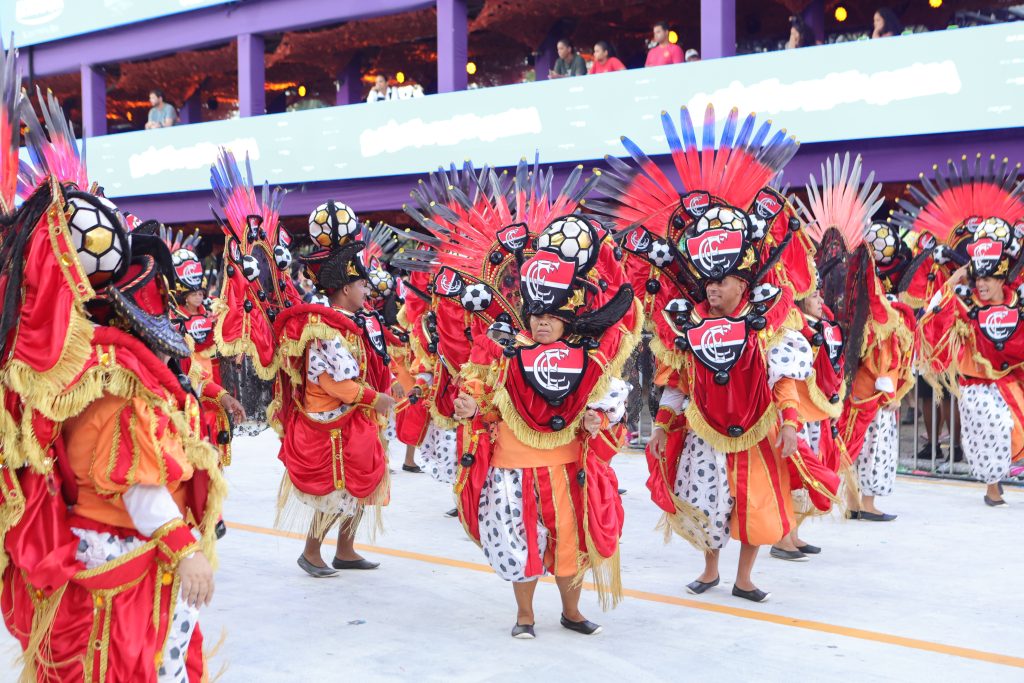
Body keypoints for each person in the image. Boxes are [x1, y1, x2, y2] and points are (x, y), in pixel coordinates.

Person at [1, 76, 224, 680]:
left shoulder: (87, 362)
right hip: (124, 550)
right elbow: (135, 484)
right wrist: (185, 551)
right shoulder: (106, 373)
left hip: (114, 548)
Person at [599, 104, 831, 603]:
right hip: (705, 428)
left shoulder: (768, 323)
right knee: (707, 500)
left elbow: (784, 379)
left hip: (757, 427)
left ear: (742, 279)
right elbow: (679, 379)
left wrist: (789, 422)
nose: (713, 291)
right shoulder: (691, 322)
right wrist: (662, 426)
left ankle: (745, 578)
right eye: (707, 283)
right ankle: (709, 571)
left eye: (721, 282)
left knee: (754, 504)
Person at [409, 159, 639, 639]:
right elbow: (475, 388)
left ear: (568, 319)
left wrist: (598, 416)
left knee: (570, 540)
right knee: (523, 542)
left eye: (551, 317)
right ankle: (525, 615)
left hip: (566, 463)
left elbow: (609, 393)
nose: (541, 323)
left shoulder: (584, 357)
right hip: (513, 466)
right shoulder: (501, 349)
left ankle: (572, 612)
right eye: (535, 314)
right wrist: (469, 404)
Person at [269, 199, 395, 577]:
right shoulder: (327, 327)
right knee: (335, 493)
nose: (366, 290)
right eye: (360, 284)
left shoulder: (351, 321)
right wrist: (376, 398)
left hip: (353, 419)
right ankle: (311, 552)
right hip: (332, 423)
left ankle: (346, 549)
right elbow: (335, 383)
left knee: (360, 485)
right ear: (342, 288)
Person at [902, 158, 1024, 506]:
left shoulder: (1016, 301)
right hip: (974, 385)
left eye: (989, 278)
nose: (982, 285)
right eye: (979, 278)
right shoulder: (961, 300)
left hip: (1009, 381)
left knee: (1008, 425)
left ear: (1002, 278)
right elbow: (930, 317)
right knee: (989, 427)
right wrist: (958, 278)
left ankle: (996, 482)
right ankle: (992, 486)